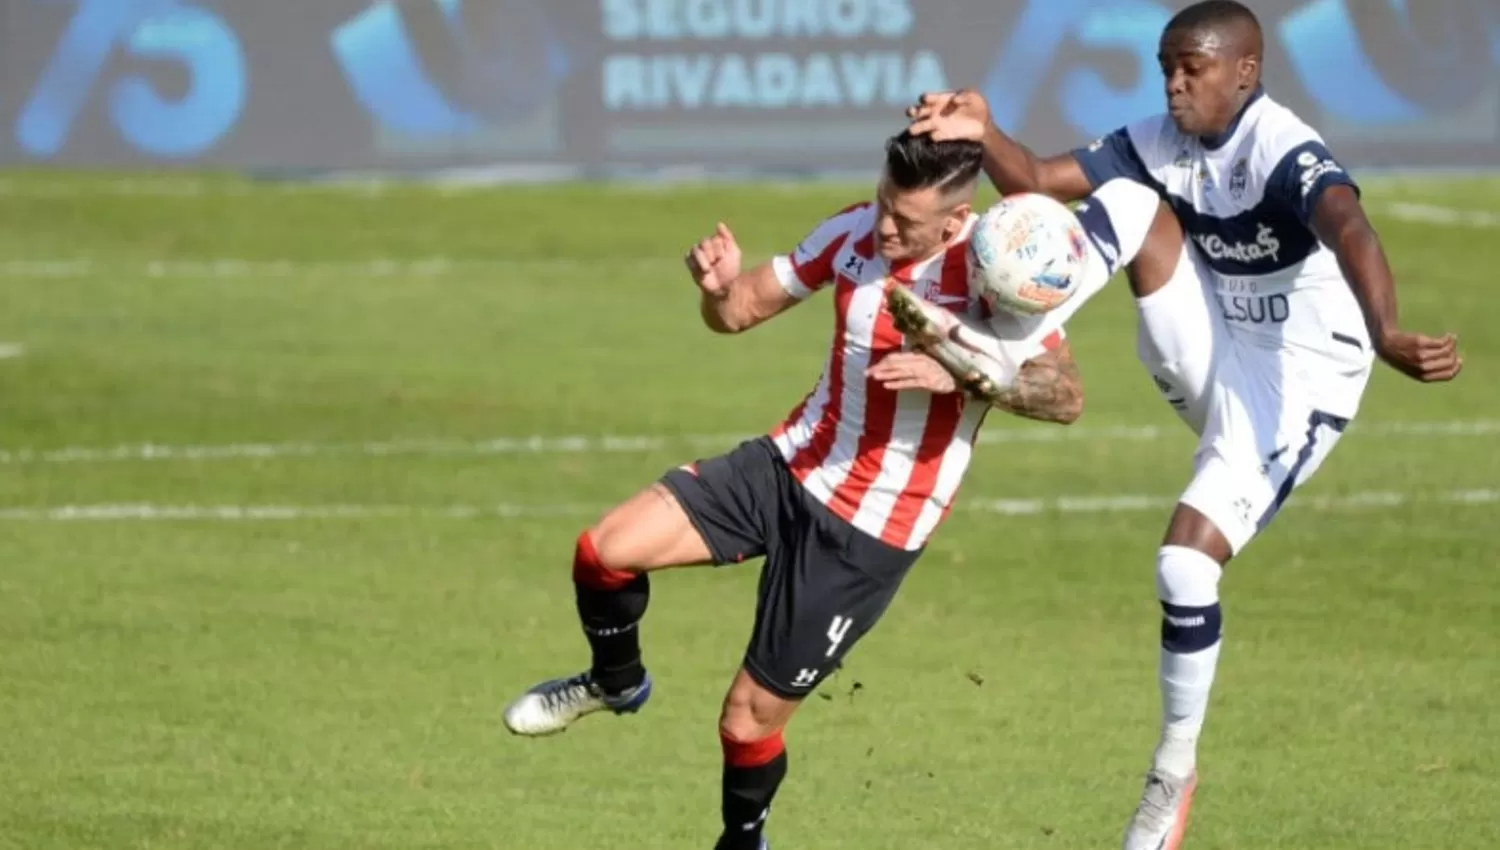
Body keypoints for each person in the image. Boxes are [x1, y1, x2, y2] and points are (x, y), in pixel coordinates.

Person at [907, 2, 1464, 848]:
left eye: (1190, 69)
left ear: (1245, 71)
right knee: (1130, 201)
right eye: (1166, 65)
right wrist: (982, 131)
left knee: (1183, 565)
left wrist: (1387, 330)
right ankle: (1006, 347)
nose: (1173, 84)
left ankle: (1172, 777)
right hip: (1214, 346)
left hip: (1299, 376)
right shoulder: (1159, 139)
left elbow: (1350, 224)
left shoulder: (1281, 147)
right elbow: (1034, 182)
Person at [501, 129, 1100, 850]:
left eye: (905, 223)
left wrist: (967, 372)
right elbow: (737, 313)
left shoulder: (993, 272)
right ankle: (614, 681)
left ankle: (742, 840)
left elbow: (1063, 396)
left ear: (951, 222)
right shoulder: (853, 230)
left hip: (867, 531)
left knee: (744, 721)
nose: (884, 226)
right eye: (884, 203)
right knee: (603, 552)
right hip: (786, 467)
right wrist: (717, 289)